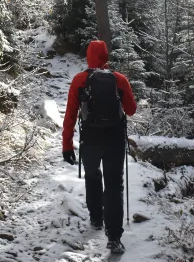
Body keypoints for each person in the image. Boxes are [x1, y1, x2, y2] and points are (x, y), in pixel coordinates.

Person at [62, 40, 137, 254]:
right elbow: (131, 110)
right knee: (114, 185)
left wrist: (67, 145)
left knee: (93, 176)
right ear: (106, 57)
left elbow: (69, 116)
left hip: (90, 142)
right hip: (114, 141)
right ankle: (114, 237)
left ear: (88, 57)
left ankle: (96, 218)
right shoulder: (119, 79)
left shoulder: (79, 80)